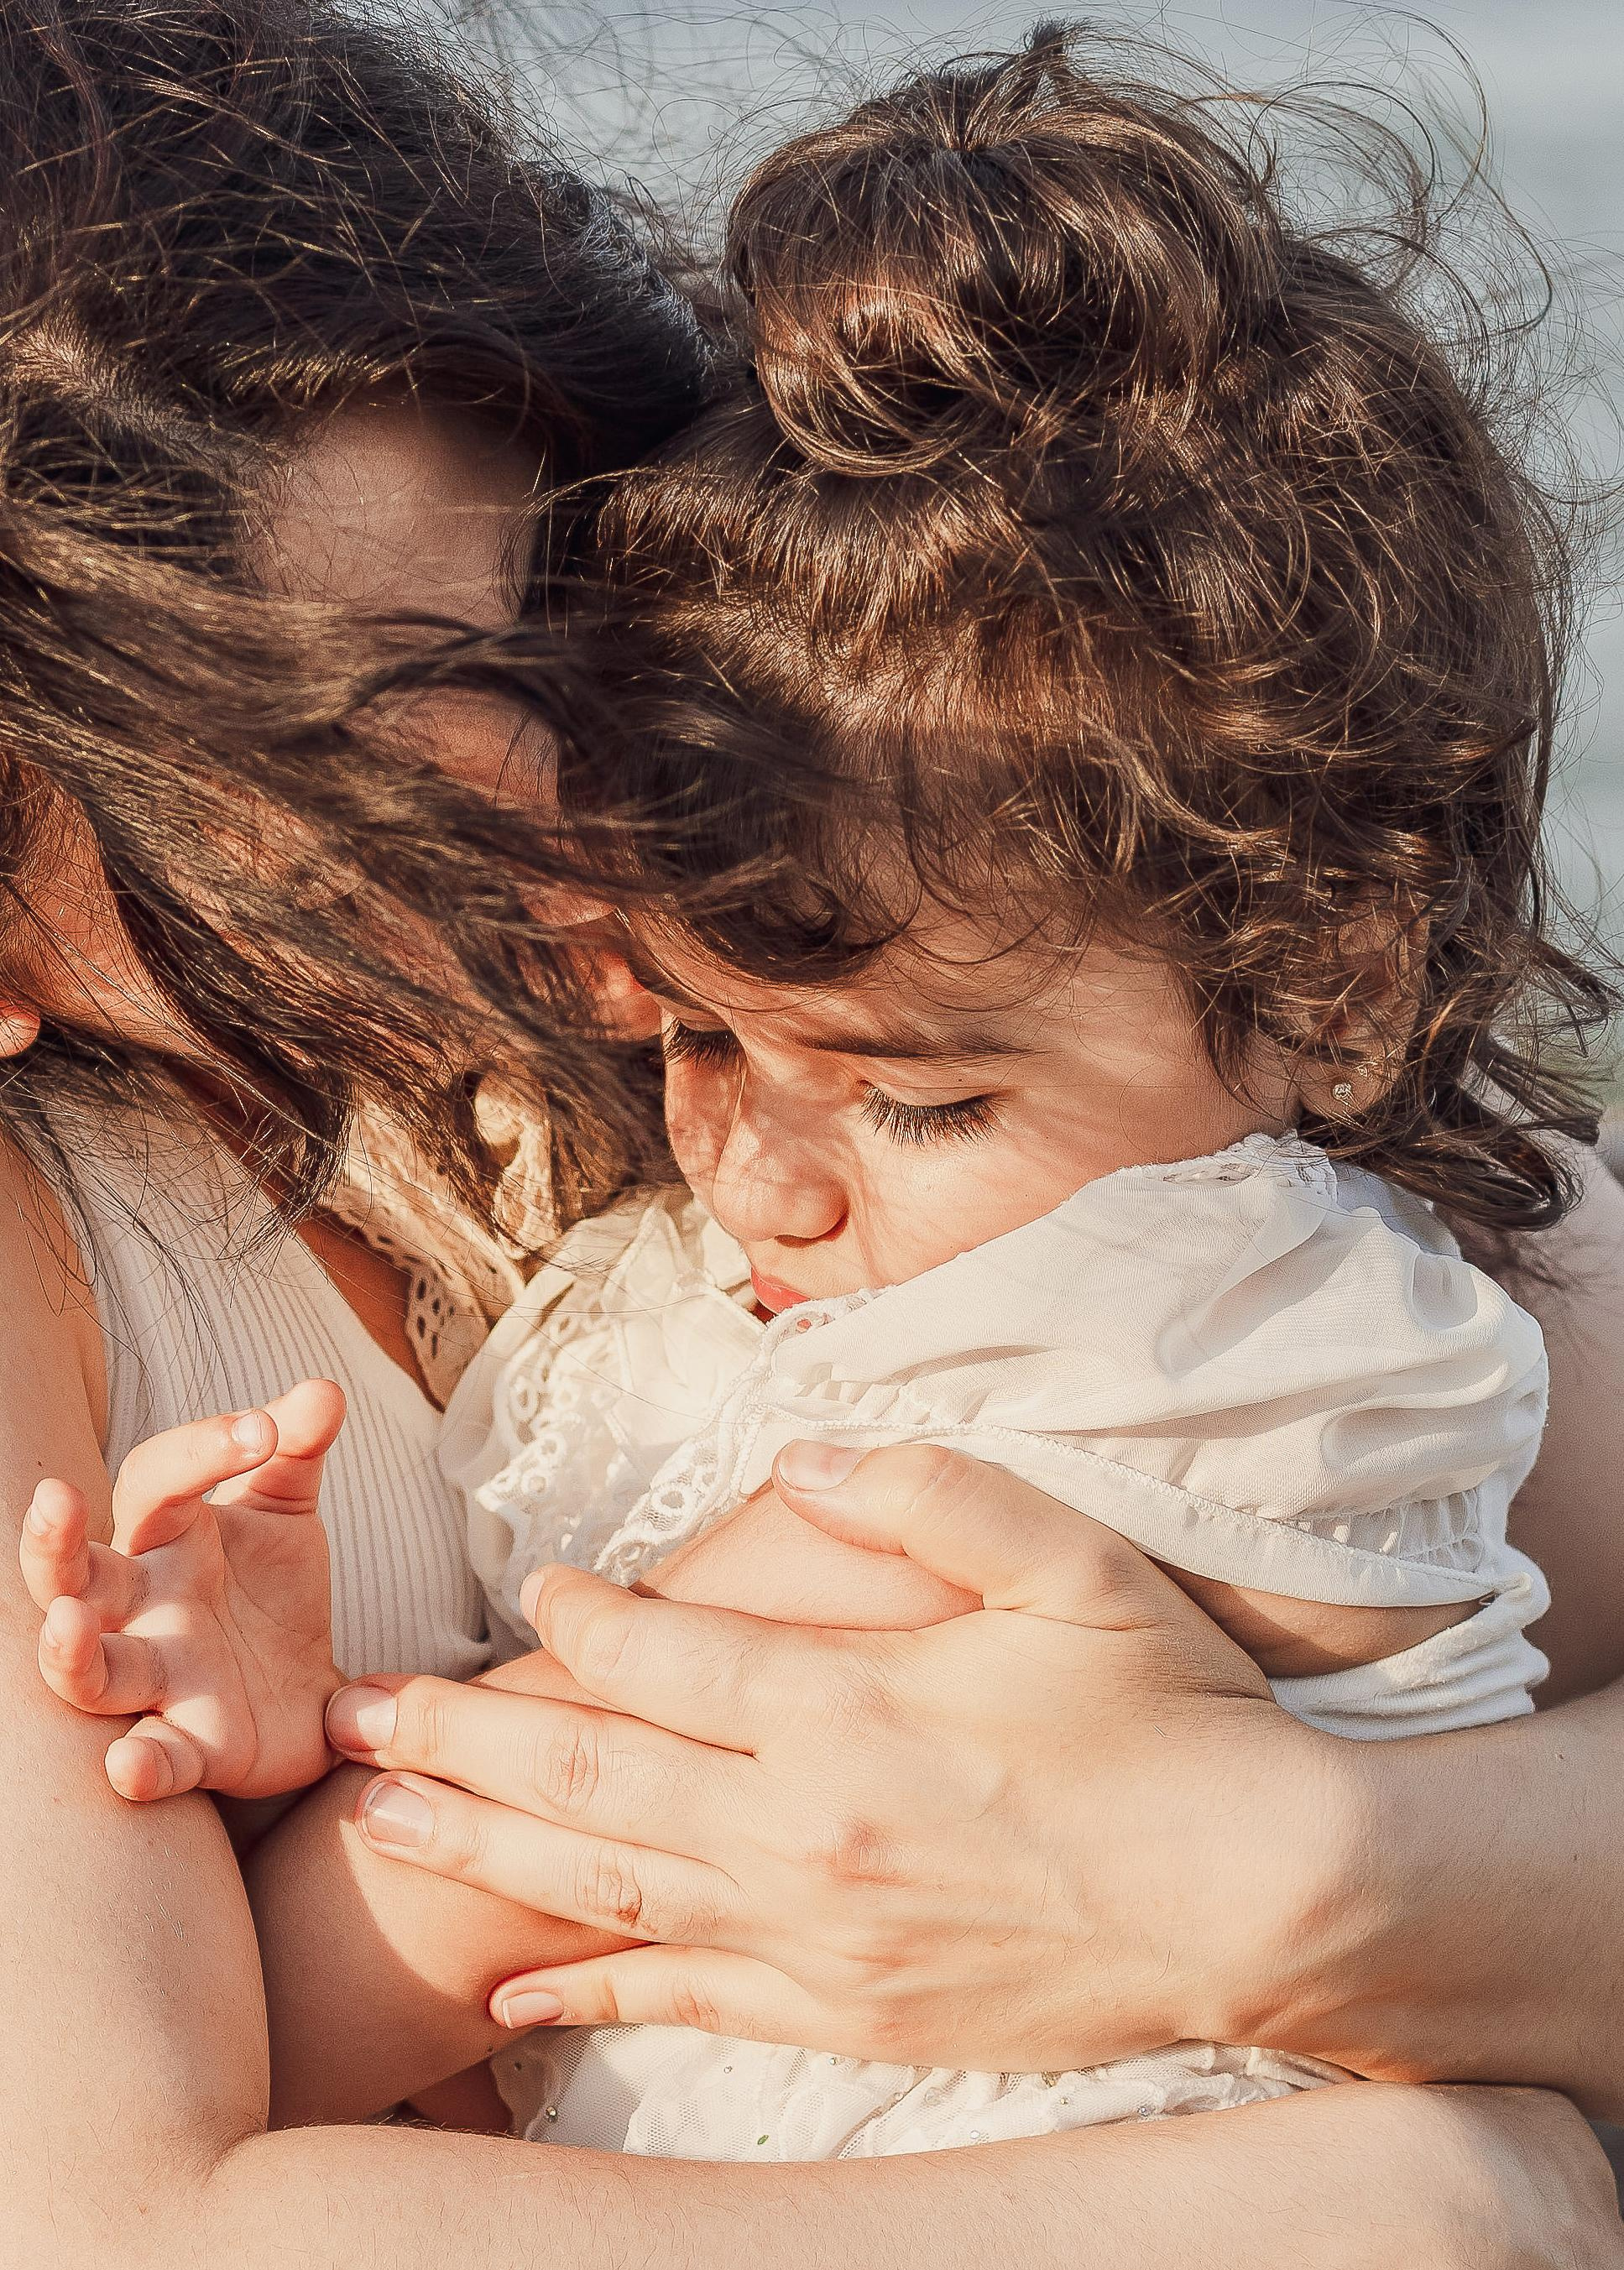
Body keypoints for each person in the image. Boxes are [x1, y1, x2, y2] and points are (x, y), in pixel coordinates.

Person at [0, 6, 1616, 2264]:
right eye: (341, 760)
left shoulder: (910, 907)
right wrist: (1422, 2188)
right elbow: (116, 2212)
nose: (565, 781)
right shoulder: (72, 1263)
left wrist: (1297, 1884)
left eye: (547, 628)